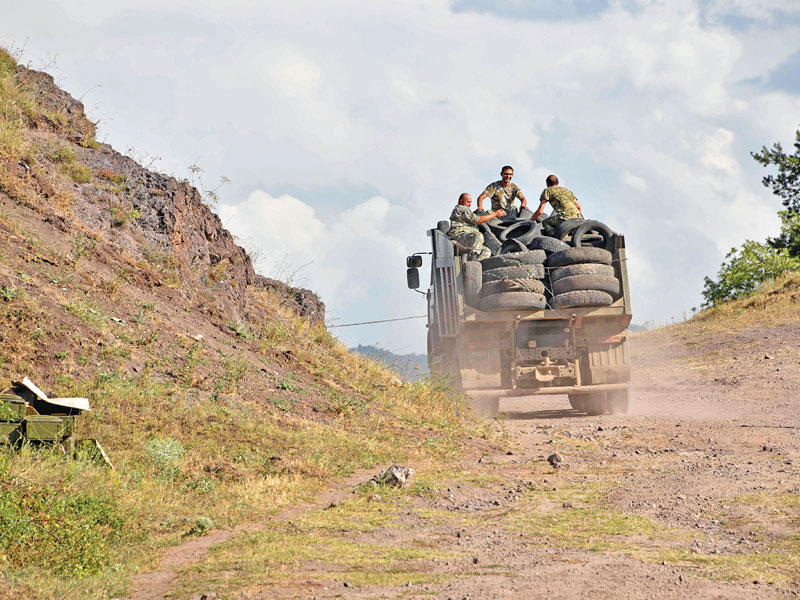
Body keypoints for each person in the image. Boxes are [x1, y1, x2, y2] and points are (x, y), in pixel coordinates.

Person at [448, 192, 506, 260]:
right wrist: (495, 214)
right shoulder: (461, 208)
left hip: (467, 237)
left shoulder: (465, 211)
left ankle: (473, 265)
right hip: (459, 236)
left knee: (486, 251)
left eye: (470, 202)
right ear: (461, 201)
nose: (469, 205)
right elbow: (477, 220)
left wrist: (490, 213)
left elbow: (474, 217)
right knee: (478, 235)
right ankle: (473, 257)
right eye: (468, 202)